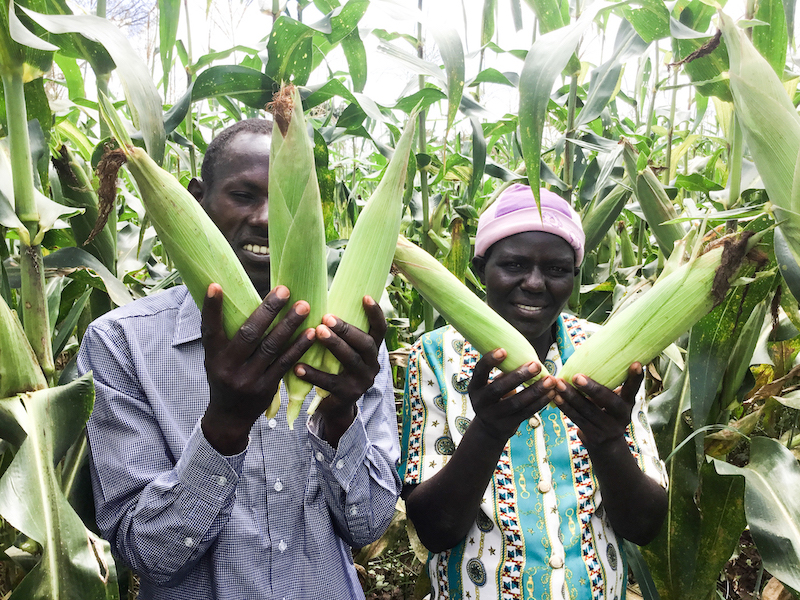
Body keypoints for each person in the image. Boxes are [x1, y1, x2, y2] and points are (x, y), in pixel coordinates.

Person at [79, 119, 401, 600]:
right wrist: (224, 426)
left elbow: (369, 523)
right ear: (197, 199)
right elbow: (145, 556)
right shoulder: (122, 343)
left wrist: (339, 416)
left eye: (288, 202)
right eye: (245, 195)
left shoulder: (349, 346)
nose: (269, 218)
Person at [398, 184, 668, 600]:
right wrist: (487, 432)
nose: (535, 283)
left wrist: (609, 440)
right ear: (481, 266)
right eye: (514, 264)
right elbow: (435, 530)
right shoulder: (434, 356)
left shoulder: (611, 353)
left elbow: (644, 527)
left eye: (557, 269)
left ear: (574, 276)